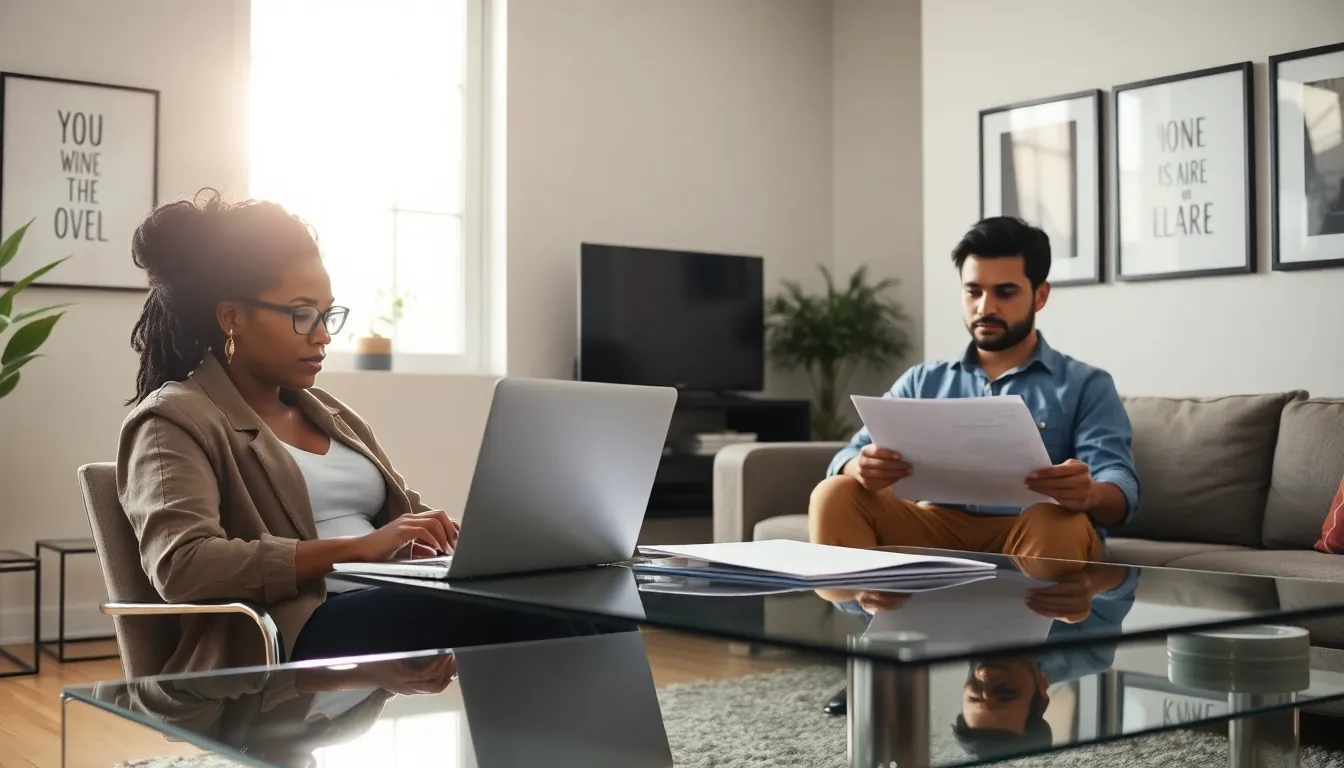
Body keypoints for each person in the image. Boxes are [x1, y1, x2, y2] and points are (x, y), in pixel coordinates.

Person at [118, 189, 593, 675]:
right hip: (292, 628)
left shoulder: (328, 412)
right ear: (232, 317)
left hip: (387, 597)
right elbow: (183, 566)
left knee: (575, 601)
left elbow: (403, 515)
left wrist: (453, 541)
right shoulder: (173, 421)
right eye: (303, 314)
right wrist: (359, 549)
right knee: (509, 609)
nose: (323, 333)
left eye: (328, 314)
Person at [809, 216, 1141, 564]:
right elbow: (849, 454)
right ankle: (854, 611)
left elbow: (1120, 484)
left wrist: (1088, 494)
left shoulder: (1087, 384)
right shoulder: (923, 380)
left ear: (1040, 296)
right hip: (933, 526)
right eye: (974, 291)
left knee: (1054, 522)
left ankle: (1038, 618)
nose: (985, 307)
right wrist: (858, 466)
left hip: (1031, 530)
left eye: (1005, 292)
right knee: (834, 493)